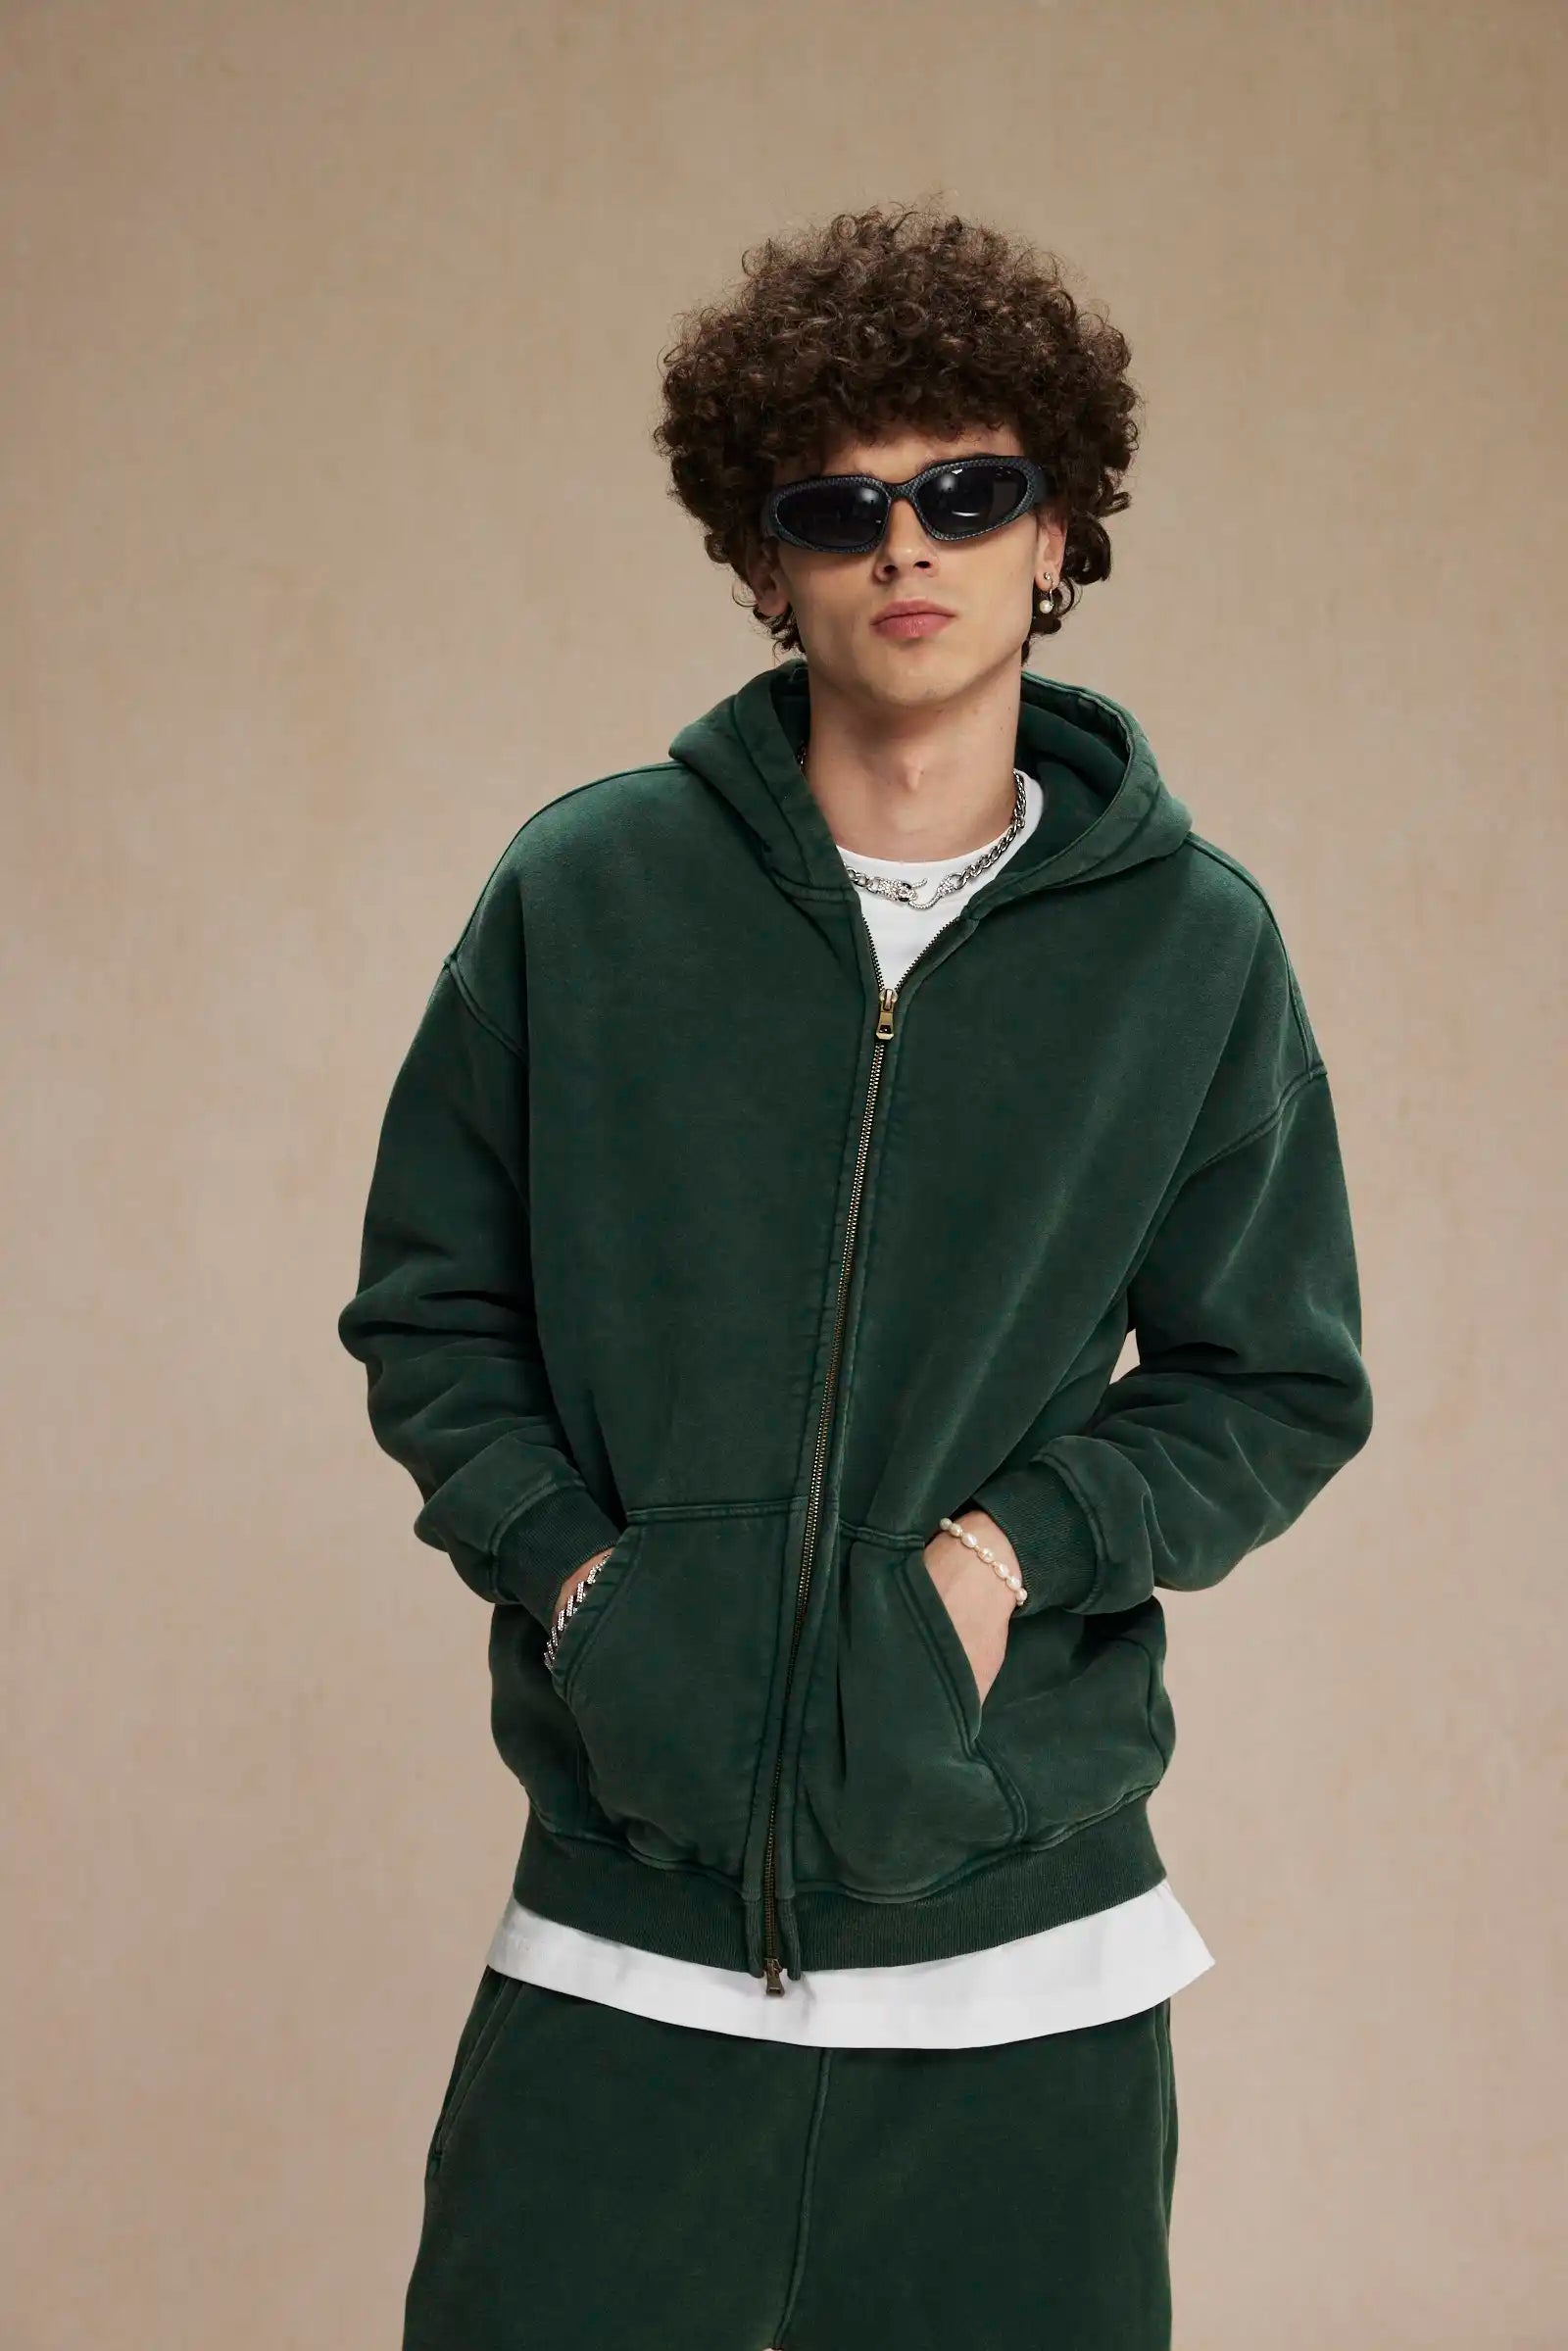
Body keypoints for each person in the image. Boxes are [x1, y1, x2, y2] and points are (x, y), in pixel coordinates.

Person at [336, 201, 1373, 2351]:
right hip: (623, 1946)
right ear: (764, 561)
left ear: (1056, 535)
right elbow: (433, 1313)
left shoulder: (1190, 950)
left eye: (966, 492)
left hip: (1026, 1976)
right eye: (839, 505)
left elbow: (1270, 1378)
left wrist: (1003, 1560)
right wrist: (585, 1587)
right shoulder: (587, 895)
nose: (907, 545)